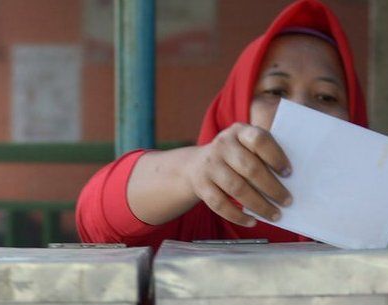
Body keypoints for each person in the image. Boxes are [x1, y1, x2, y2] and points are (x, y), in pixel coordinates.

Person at [76, 0, 367, 249]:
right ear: (235, 105)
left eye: (326, 97)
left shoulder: (367, 222)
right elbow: (96, 219)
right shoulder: (195, 209)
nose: (301, 110)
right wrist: (192, 169)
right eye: (275, 91)